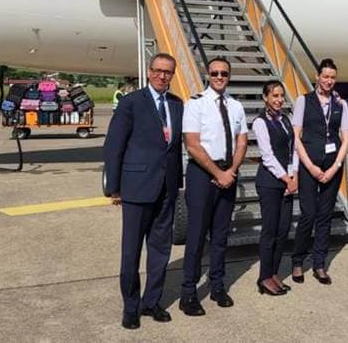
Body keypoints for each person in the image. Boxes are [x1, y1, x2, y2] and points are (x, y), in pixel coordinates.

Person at [102, 53, 183, 330]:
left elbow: (174, 148)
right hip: (136, 188)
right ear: (149, 72)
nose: (163, 76)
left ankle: (152, 302)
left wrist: (177, 182)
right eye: (158, 71)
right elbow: (114, 146)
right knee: (131, 251)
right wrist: (113, 186)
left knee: (160, 250)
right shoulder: (130, 103)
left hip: (167, 188)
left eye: (168, 72)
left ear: (173, 75)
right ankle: (131, 306)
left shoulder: (177, 104)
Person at [179, 56, 248, 316]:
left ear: (229, 77)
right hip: (202, 175)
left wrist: (230, 171)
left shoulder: (236, 106)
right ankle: (189, 293)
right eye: (215, 73)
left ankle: (218, 286)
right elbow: (193, 145)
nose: (220, 77)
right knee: (196, 237)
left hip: (228, 173)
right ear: (208, 75)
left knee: (221, 236)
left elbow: (242, 143)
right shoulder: (195, 104)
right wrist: (218, 172)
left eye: (224, 74)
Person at [291, 58, 348, 285]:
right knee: (308, 215)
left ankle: (319, 264)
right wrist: (310, 167)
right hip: (310, 166)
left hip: (332, 168)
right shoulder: (303, 101)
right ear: (317, 77)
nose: (328, 81)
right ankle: (298, 261)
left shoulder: (341, 105)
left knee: (325, 216)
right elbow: (296, 137)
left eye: (332, 77)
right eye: (325, 76)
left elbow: (345, 138)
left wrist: (335, 166)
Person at [250, 80, 298, 296]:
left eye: (281, 96)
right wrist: (286, 178)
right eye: (274, 96)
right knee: (269, 231)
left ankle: (274, 272)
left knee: (283, 230)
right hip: (270, 183)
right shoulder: (260, 122)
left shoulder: (285, 120)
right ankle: (264, 276)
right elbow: (267, 156)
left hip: (287, 180)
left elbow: (294, 149)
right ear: (265, 98)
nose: (279, 100)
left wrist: (294, 174)